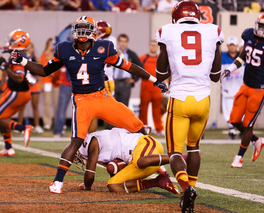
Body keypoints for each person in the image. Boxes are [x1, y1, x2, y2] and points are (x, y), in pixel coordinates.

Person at [10, 16, 167, 194]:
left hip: (102, 97)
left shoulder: (104, 48)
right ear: (74, 31)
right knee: (77, 140)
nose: (82, 31)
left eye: (86, 28)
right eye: (80, 28)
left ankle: (159, 166)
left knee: (137, 126)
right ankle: (57, 182)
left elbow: (128, 66)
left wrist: (154, 79)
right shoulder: (64, 48)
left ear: (93, 32)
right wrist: (23, 61)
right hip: (82, 100)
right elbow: (44, 70)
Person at [155, 1, 224, 212]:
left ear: (176, 16)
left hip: (179, 99)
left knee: (175, 152)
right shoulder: (214, 31)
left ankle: (186, 188)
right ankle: (192, 187)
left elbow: (161, 73)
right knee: (194, 148)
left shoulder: (167, 31)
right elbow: (215, 76)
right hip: (203, 100)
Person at [221, 13, 264, 168]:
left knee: (248, 125)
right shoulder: (248, 35)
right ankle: (256, 141)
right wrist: (230, 69)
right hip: (245, 84)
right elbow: (242, 58)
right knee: (233, 120)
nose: (261, 29)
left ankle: (239, 157)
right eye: (260, 25)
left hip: (259, 89)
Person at [75, 127, 179, 195]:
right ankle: (158, 182)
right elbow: (115, 166)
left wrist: (86, 186)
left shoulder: (93, 141)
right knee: (113, 185)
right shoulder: (104, 143)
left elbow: (89, 176)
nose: (78, 158)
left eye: (77, 154)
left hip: (146, 144)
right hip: (140, 160)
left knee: (140, 161)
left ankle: (181, 157)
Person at [0, 29, 34, 156]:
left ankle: (23, 128)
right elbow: (4, 48)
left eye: (12, 40)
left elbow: (19, 78)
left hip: (17, 92)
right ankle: (8, 147)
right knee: (4, 117)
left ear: (19, 42)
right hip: (21, 92)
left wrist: (6, 66)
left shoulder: (17, 56)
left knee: (0, 117)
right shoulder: (22, 53)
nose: (9, 42)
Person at [221, 36, 244, 139]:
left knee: (240, 113)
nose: (232, 47)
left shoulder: (242, 58)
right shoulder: (222, 57)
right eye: (230, 45)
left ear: (237, 46)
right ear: (227, 46)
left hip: (240, 90)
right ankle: (231, 131)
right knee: (228, 112)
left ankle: (241, 131)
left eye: (233, 45)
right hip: (227, 90)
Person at [17, 43, 44, 134]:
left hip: (34, 84)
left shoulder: (36, 59)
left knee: (35, 106)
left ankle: (37, 125)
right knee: (22, 106)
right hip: (25, 84)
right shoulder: (22, 58)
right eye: (27, 47)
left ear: (33, 49)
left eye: (31, 47)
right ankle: (19, 126)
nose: (29, 49)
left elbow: (40, 71)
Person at [139, 40, 164, 136]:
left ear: (157, 47)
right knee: (143, 110)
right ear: (149, 46)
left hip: (157, 89)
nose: (153, 47)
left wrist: (166, 84)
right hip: (145, 89)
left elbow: (166, 72)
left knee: (157, 111)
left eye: (155, 46)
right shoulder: (142, 58)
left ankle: (159, 129)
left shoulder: (161, 59)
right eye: (152, 45)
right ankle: (143, 128)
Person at [113, 33, 143, 106]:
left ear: (127, 42)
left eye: (125, 41)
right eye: (121, 41)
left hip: (125, 83)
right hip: (114, 82)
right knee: (112, 106)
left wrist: (134, 79)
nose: (123, 44)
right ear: (118, 42)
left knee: (124, 107)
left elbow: (140, 67)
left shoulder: (131, 54)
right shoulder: (113, 53)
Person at [40, 38, 60, 130]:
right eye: (50, 44)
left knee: (57, 102)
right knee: (47, 102)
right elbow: (44, 68)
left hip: (57, 81)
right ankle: (47, 122)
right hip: (47, 81)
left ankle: (58, 122)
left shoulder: (59, 54)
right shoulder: (44, 55)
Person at [53, 65, 71, 137]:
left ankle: (58, 131)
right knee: (81, 109)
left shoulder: (65, 54)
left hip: (67, 84)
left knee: (61, 109)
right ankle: (81, 133)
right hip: (78, 83)